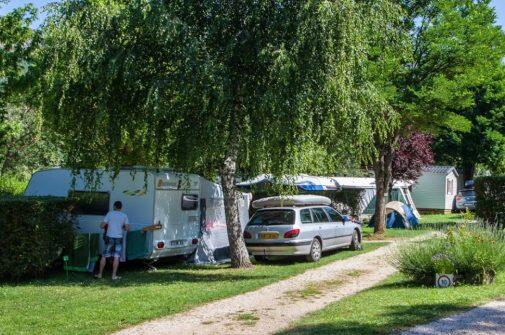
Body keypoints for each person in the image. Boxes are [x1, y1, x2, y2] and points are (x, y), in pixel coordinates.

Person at [95, 201, 130, 280]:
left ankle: (100, 274)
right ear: (121, 207)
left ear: (114, 206)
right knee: (116, 256)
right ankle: (114, 276)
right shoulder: (124, 216)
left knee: (104, 256)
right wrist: (122, 227)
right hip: (119, 238)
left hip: (109, 237)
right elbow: (128, 229)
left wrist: (106, 224)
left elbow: (102, 226)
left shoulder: (109, 214)